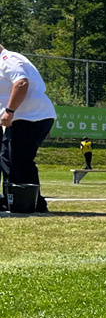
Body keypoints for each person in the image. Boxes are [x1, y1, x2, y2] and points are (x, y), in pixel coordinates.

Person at [0, 45, 55, 213]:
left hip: (31, 117)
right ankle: (12, 199)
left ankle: (34, 203)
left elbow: (21, 83)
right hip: (22, 118)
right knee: (6, 159)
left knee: (20, 159)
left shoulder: (9, 60)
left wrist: (9, 111)